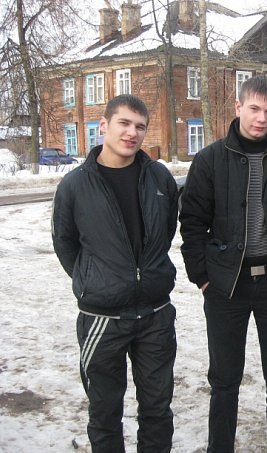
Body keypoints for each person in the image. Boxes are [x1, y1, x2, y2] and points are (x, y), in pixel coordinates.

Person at [179, 75, 267, 452]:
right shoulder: (210, 160)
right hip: (226, 286)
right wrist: (202, 277)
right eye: (254, 109)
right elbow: (192, 222)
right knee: (224, 380)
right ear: (238, 107)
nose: (261, 118)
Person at [52, 94, 179, 452]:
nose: (132, 133)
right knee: (105, 414)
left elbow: (165, 231)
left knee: (157, 410)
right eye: (124, 123)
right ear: (104, 125)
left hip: (155, 314)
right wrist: (96, 278)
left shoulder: (159, 177)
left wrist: (145, 274)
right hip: (103, 319)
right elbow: (65, 243)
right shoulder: (75, 185)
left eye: (140, 126)